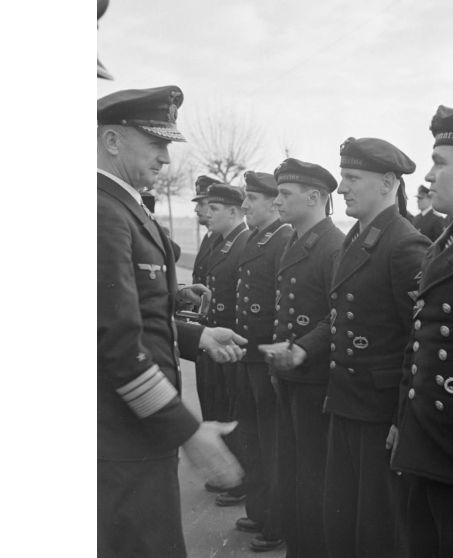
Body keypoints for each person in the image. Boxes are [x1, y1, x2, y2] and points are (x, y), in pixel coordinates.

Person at [97, 85, 246, 558]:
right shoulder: (101, 211)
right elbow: (114, 341)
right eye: (156, 144)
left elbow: (139, 313)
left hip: (133, 434)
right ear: (113, 141)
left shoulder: (120, 207)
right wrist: (187, 431)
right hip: (124, 438)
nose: (165, 158)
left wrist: (197, 335)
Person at [263, 140, 430, 558]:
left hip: (378, 412)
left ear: (388, 183)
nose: (343, 189)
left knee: (375, 528)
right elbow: (338, 316)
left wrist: (402, 418)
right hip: (346, 402)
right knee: (343, 521)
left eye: (354, 179)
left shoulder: (404, 244)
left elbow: (420, 340)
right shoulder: (358, 238)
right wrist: (304, 349)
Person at [259, 158, 345, 558]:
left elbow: (340, 313)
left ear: (315, 197)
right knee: (293, 472)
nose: (277, 201)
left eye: (285, 194)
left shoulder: (332, 245)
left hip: (314, 380)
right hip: (292, 378)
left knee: (311, 477)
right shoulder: (294, 240)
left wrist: (303, 347)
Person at [389, 105, 453, 558]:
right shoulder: (444, 244)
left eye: (441, 162)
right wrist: (403, 418)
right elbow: (418, 342)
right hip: (430, 442)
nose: (430, 176)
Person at [233, 171, 292, 552]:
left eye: (251, 199)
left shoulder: (282, 238)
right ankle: (258, 509)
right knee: (254, 438)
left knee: (272, 445)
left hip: (265, 356)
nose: (245, 206)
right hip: (248, 354)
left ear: (273, 203)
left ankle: (276, 521)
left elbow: (282, 304)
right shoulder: (257, 237)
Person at [204, 183, 251, 505]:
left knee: (233, 411)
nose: (206, 213)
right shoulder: (223, 243)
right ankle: (229, 474)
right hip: (220, 341)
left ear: (234, 211)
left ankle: (238, 479)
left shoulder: (242, 242)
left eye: (214, 208)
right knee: (222, 408)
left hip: (234, 342)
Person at [190, 175, 222, 426]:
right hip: (205, 332)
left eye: (204, 203)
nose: (198, 209)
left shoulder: (225, 240)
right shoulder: (210, 238)